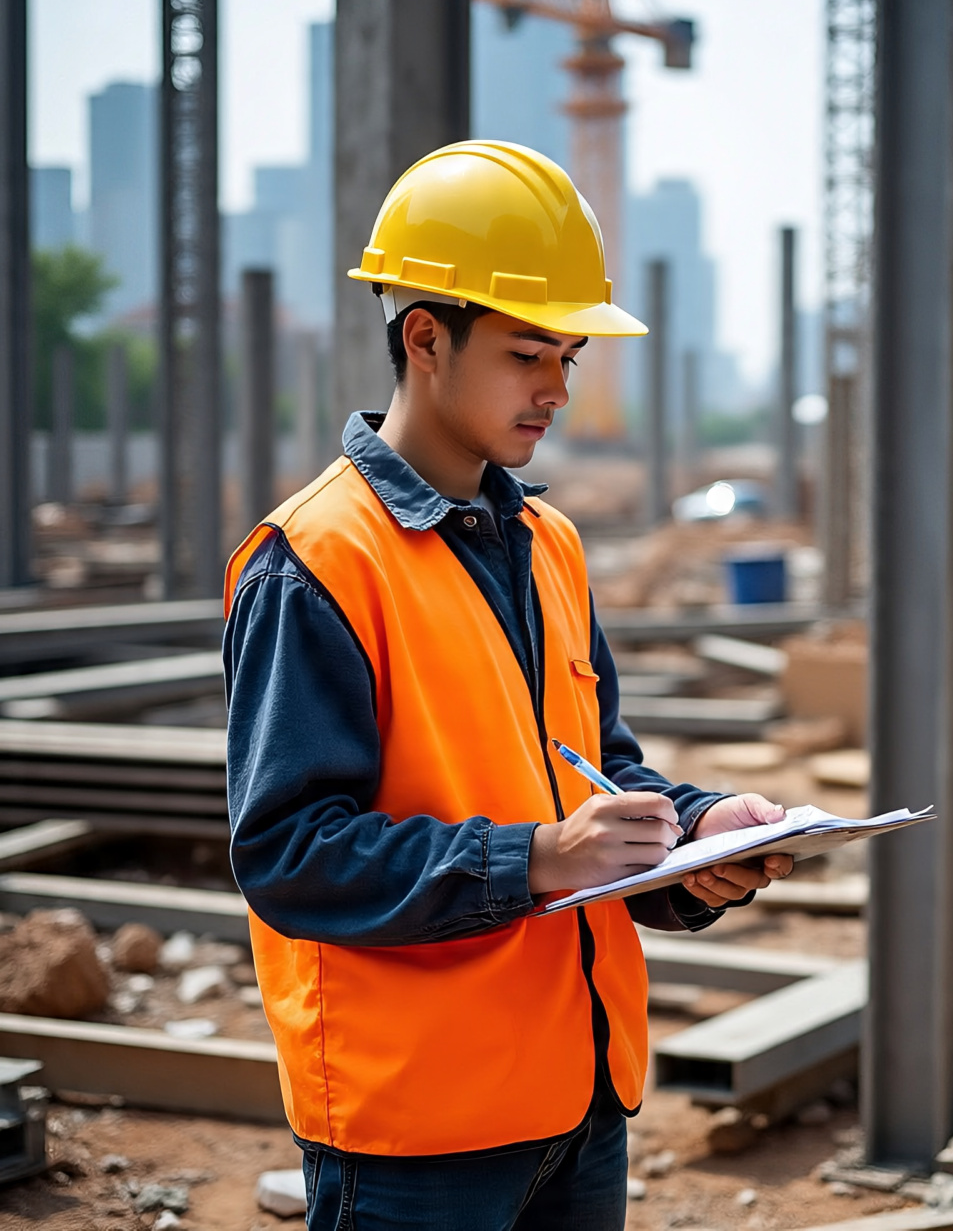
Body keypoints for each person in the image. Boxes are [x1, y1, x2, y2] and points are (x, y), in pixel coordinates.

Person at [222, 140, 793, 1231]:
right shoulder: (316, 562)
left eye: (569, 355)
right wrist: (537, 857)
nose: (560, 390)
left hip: (577, 1099)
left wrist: (693, 835)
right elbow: (289, 852)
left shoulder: (549, 543)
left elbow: (590, 767)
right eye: (530, 353)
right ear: (425, 338)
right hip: (418, 1137)